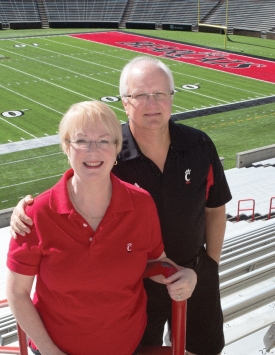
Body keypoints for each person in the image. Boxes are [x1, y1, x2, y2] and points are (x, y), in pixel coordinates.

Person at [10, 56, 232, 355]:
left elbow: (215, 207)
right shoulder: (106, 153)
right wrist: (26, 208)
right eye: (140, 95)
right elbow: (73, 188)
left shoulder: (199, 145)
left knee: (203, 348)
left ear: (172, 98)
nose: (151, 102)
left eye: (160, 94)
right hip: (137, 286)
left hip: (190, 272)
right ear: (125, 102)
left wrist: (211, 264)